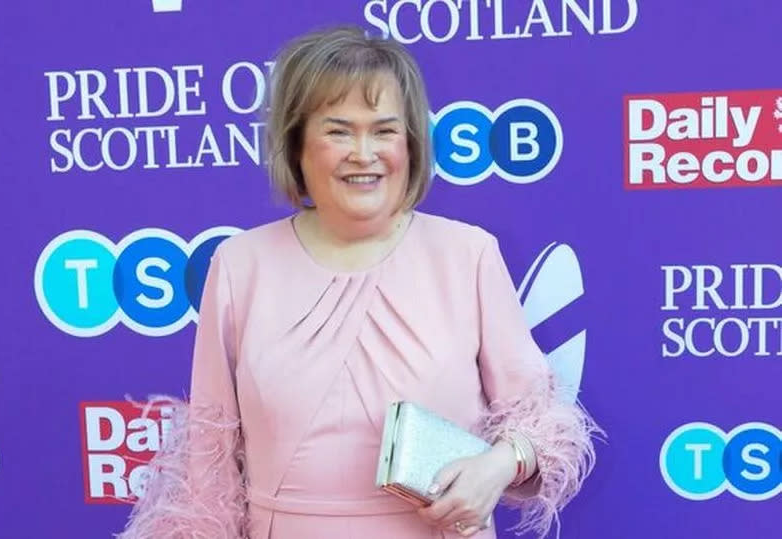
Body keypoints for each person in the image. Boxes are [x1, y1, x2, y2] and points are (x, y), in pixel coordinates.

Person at [118, 26, 600, 539]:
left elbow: (543, 422)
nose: (363, 153)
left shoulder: (468, 254)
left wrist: (501, 463)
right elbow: (208, 466)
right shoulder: (240, 265)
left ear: (411, 143)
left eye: (385, 130)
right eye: (339, 130)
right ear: (296, 143)